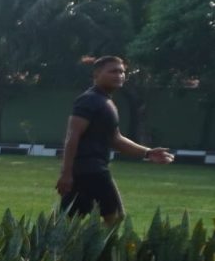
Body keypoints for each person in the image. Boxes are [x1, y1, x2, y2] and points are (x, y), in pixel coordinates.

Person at [55, 55, 172, 219]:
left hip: (87, 169)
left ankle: (67, 244)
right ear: (96, 74)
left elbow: (115, 139)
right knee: (115, 216)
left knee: (69, 220)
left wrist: (147, 152)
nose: (119, 75)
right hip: (90, 169)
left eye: (122, 72)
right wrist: (66, 173)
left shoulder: (105, 102)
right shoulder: (89, 100)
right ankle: (99, 245)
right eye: (113, 71)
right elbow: (72, 136)